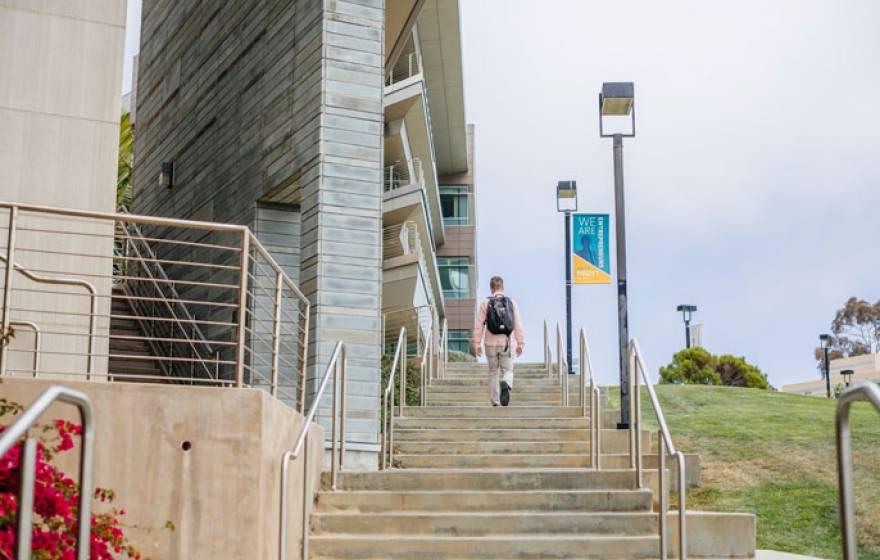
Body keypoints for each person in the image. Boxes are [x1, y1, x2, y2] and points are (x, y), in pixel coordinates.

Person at [471, 276, 525, 406]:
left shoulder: (486, 303)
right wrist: (520, 343)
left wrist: (477, 344)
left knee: (493, 372)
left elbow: (479, 325)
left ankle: (495, 401)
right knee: (508, 370)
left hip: (490, 343)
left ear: (491, 289)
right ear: (502, 287)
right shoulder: (511, 302)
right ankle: (506, 382)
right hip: (506, 342)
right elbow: (517, 324)